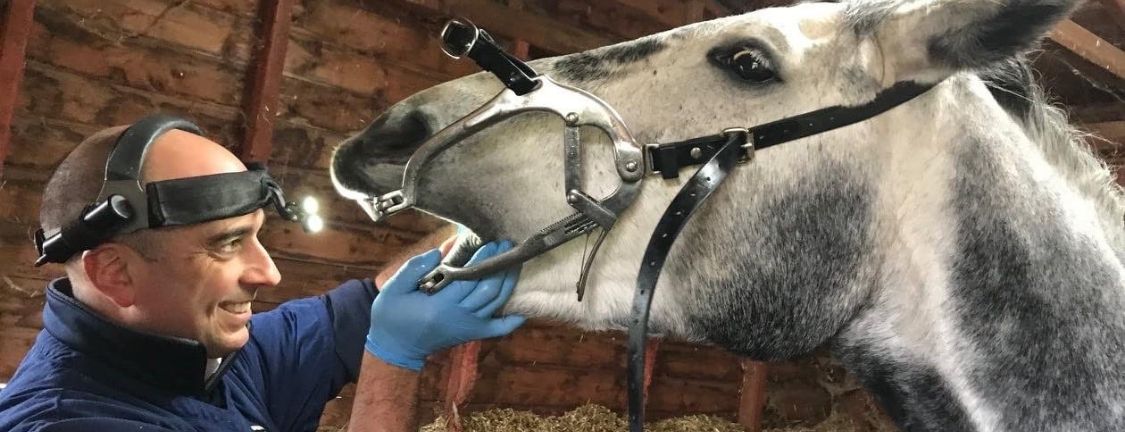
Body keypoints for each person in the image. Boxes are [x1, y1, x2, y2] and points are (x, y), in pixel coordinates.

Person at [0, 115, 525, 432]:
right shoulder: (69, 421)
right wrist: (393, 356)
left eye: (257, 234)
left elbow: (364, 307)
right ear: (115, 272)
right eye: (227, 244)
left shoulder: (206, 355)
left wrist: (508, 211)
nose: (268, 272)